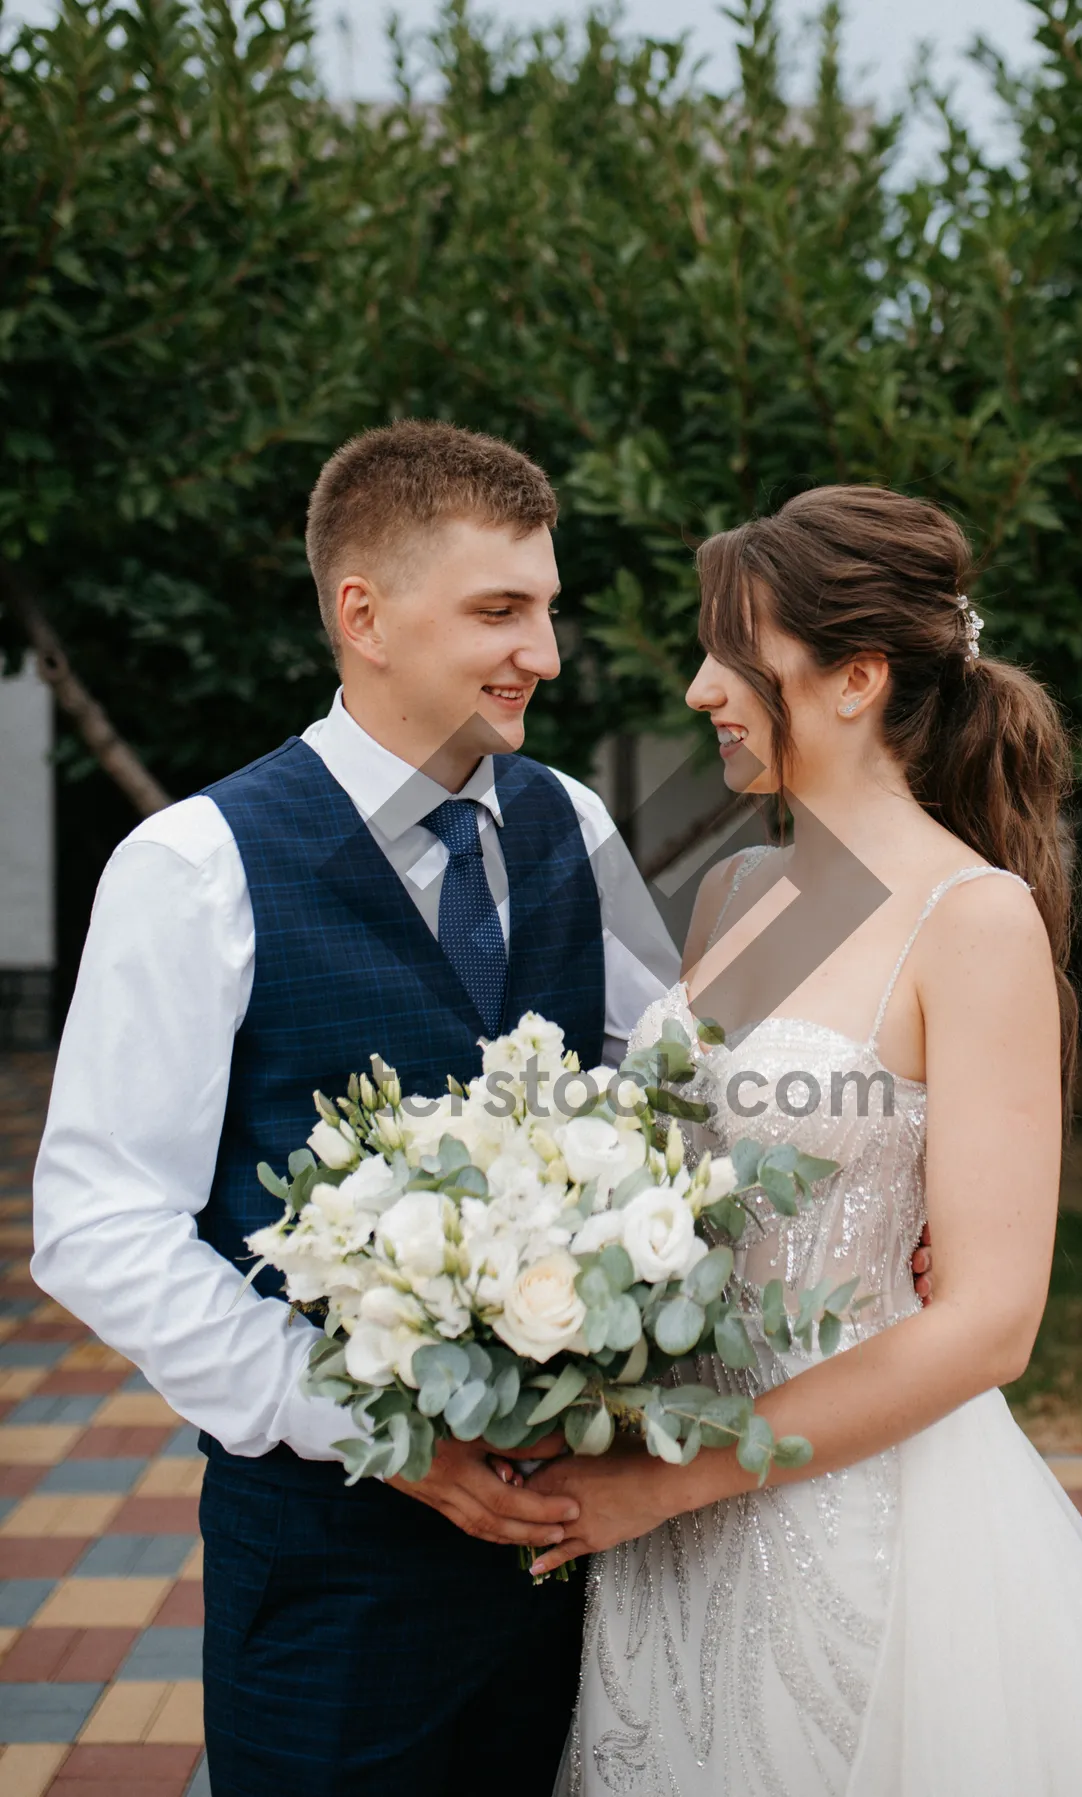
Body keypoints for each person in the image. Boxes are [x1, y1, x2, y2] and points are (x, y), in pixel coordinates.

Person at [31, 421, 680, 1796]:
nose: (546, 655)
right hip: (327, 1577)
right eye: (501, 610)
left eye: (548, 609)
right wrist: (378, 1432)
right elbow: (97, 1223)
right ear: (364, 615)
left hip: (573, 1557)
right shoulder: (193, 866)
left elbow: (679, 1101)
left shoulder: (575, 824)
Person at [530, 485, 1082, 1795]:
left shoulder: (974, 920)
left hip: (848, 1520)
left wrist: (673, 1481)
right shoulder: (741, 889)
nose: (696, 690)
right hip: (667, 1507)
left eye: (735, 654)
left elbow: (991, 1324)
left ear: (855, 679)